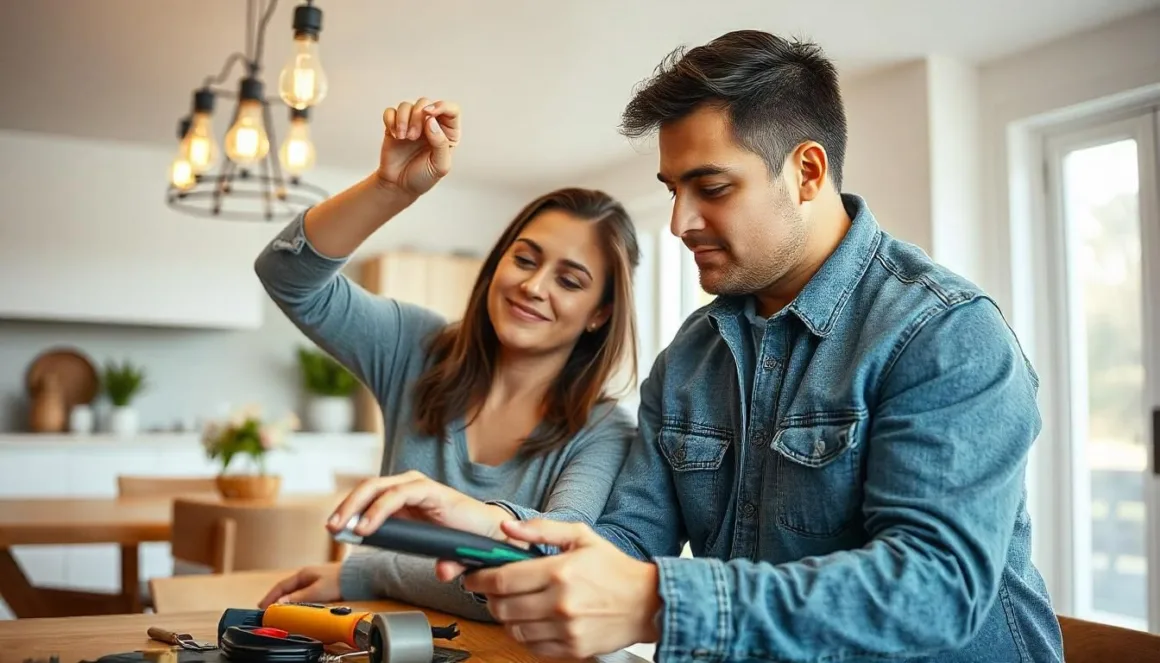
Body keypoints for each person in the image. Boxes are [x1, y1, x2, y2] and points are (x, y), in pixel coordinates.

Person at [325, 32, 1066, 662]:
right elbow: (626, 539)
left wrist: (658, 600)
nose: (679, 221)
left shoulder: (943, 332)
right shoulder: (693, 354)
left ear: (806, 172)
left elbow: (936, 589)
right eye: (672, 187)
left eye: (710, 186)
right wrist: (496, 527)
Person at [252, 96, 640, 620]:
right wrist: (389, 189)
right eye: (524, 259)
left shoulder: (603, 431)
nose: (532, 285)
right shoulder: (415, 347)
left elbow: (549, 557)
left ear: (600, 313)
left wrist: (365, 572)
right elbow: (286, 277)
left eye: (569, 281)